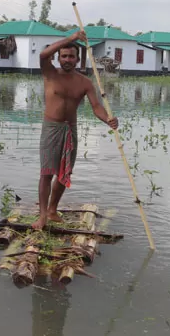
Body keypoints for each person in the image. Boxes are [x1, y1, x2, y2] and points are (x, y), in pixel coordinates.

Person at [32, 31, 119, 231]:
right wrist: (71, 39)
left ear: (78, 59)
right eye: (64, 56)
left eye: (71, 56)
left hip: (70, 129)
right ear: (59, 58)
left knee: (65, 172)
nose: (67, 60)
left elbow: (96, 106)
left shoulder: (85, 82)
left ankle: (53, 210)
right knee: (47, 172)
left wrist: (109, 119)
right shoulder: (50, 73)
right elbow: (43, 55)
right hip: (51, 127)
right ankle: (43, 215)